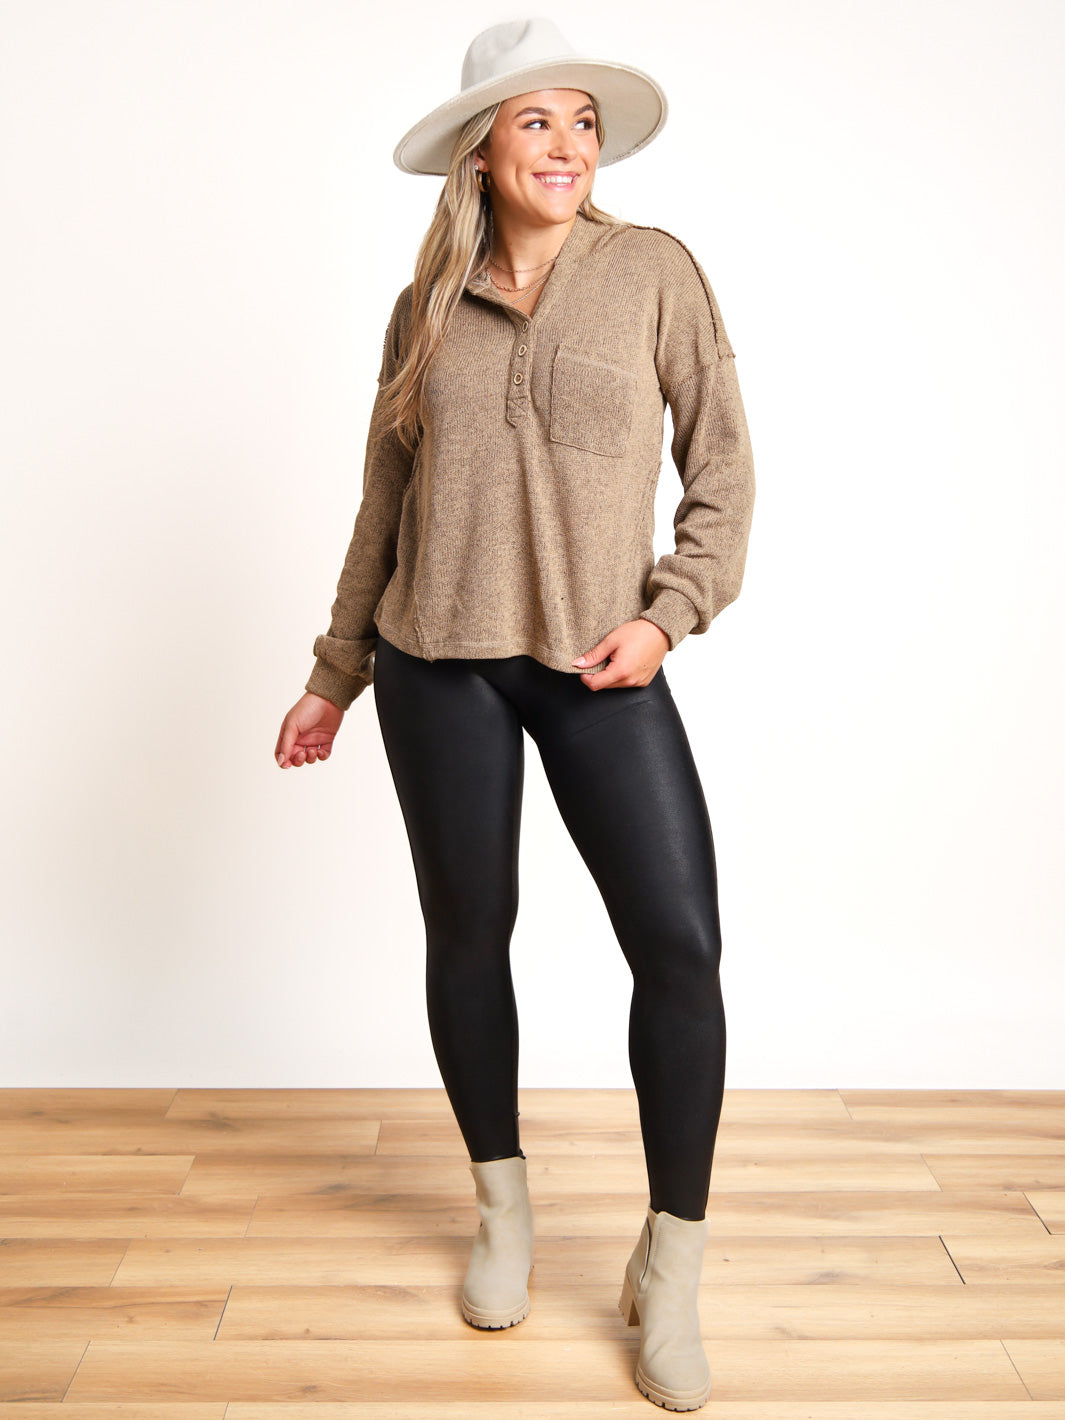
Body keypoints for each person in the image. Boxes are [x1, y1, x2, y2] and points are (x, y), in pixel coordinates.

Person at [274, 17, 756, 1412]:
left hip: (601, 666)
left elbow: (723, 469)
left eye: (582, 123)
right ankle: (501, 1209)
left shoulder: (653, 272)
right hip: (437, 663)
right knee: (467, 934)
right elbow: (385, 499)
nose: (566, 146)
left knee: (680, 947)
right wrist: (335, 672)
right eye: (536, 121)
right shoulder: (424, 306)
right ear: (480, 148)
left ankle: (671, 1265)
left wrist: (666, 615)